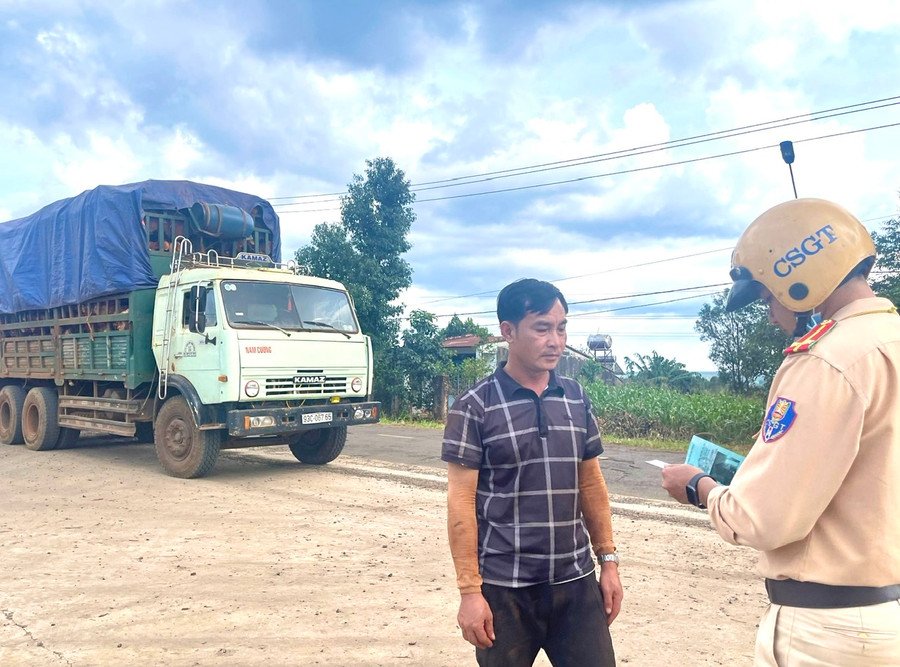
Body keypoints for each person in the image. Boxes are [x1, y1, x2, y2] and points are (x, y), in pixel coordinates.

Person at [661, 198, 900, 665]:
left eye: (769, 296)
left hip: (830, 632)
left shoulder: (825, 361)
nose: (770, 313)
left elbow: (761, 519)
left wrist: (699, 486)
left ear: (799, 281)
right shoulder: (888, 340)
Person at [443, 278, 623, 667]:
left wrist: (608, 563)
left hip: (574, 581)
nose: (555, 340)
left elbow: (590, 483)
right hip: (505, 590)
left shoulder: (575, 397)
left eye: (561, 328)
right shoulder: (475, 406)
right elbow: (461, 501)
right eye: (542, 328)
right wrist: (470, 591)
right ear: (508, 331)